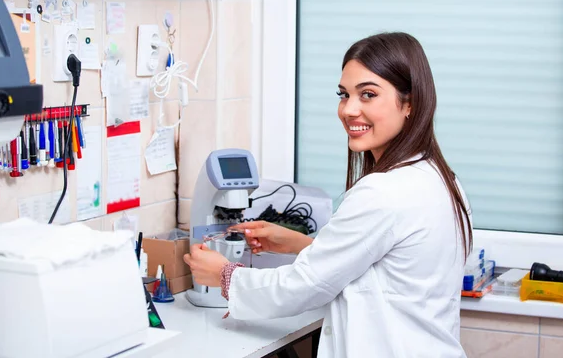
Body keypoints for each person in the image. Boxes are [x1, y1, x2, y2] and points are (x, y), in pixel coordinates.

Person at [184, 32, 473, 358]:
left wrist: (225, 276)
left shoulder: (384, 192)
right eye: (344, 94)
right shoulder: (441, 179)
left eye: (368, 95)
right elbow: (388, 271)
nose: (349, 109)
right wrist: (302, 244)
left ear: (410, 104)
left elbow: (304, 286)